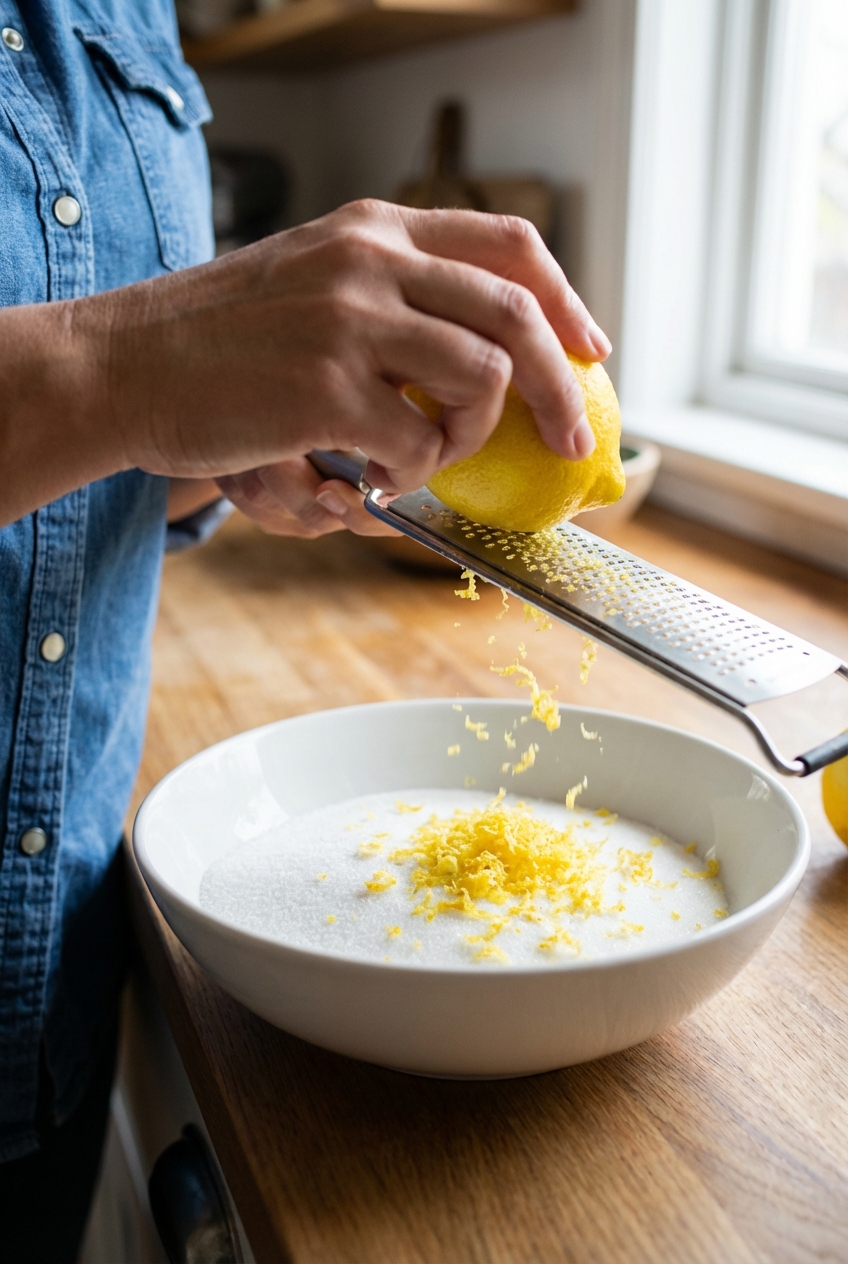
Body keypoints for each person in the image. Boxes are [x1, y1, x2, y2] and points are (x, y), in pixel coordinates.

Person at [0, 1, 611, 1259]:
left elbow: (85, 477)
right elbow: (109, 373)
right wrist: (133, 363)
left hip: (49, 1002)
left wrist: (218, 443)